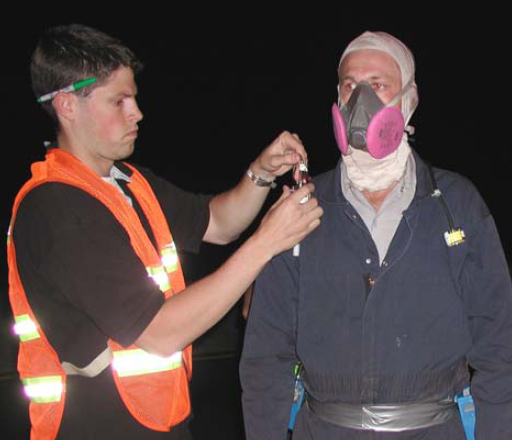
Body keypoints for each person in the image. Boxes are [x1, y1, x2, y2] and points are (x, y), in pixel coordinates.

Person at [7, 24, 323, 439]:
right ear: (67, 105)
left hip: (162, 422)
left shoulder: (130, 184)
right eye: (118, 101)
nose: (137, 112)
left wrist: (260, 173)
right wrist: (267, 242)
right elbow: (160, 332)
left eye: (134, 97)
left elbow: (220, 223)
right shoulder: (58, 209)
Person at [240, 31, 512, 439]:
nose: (362, 101)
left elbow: (499, 348)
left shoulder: (456, 204)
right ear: (337, 101)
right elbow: (267, 354)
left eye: (378, 85)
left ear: (408, 101)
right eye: (350, 86)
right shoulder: (301, 209)